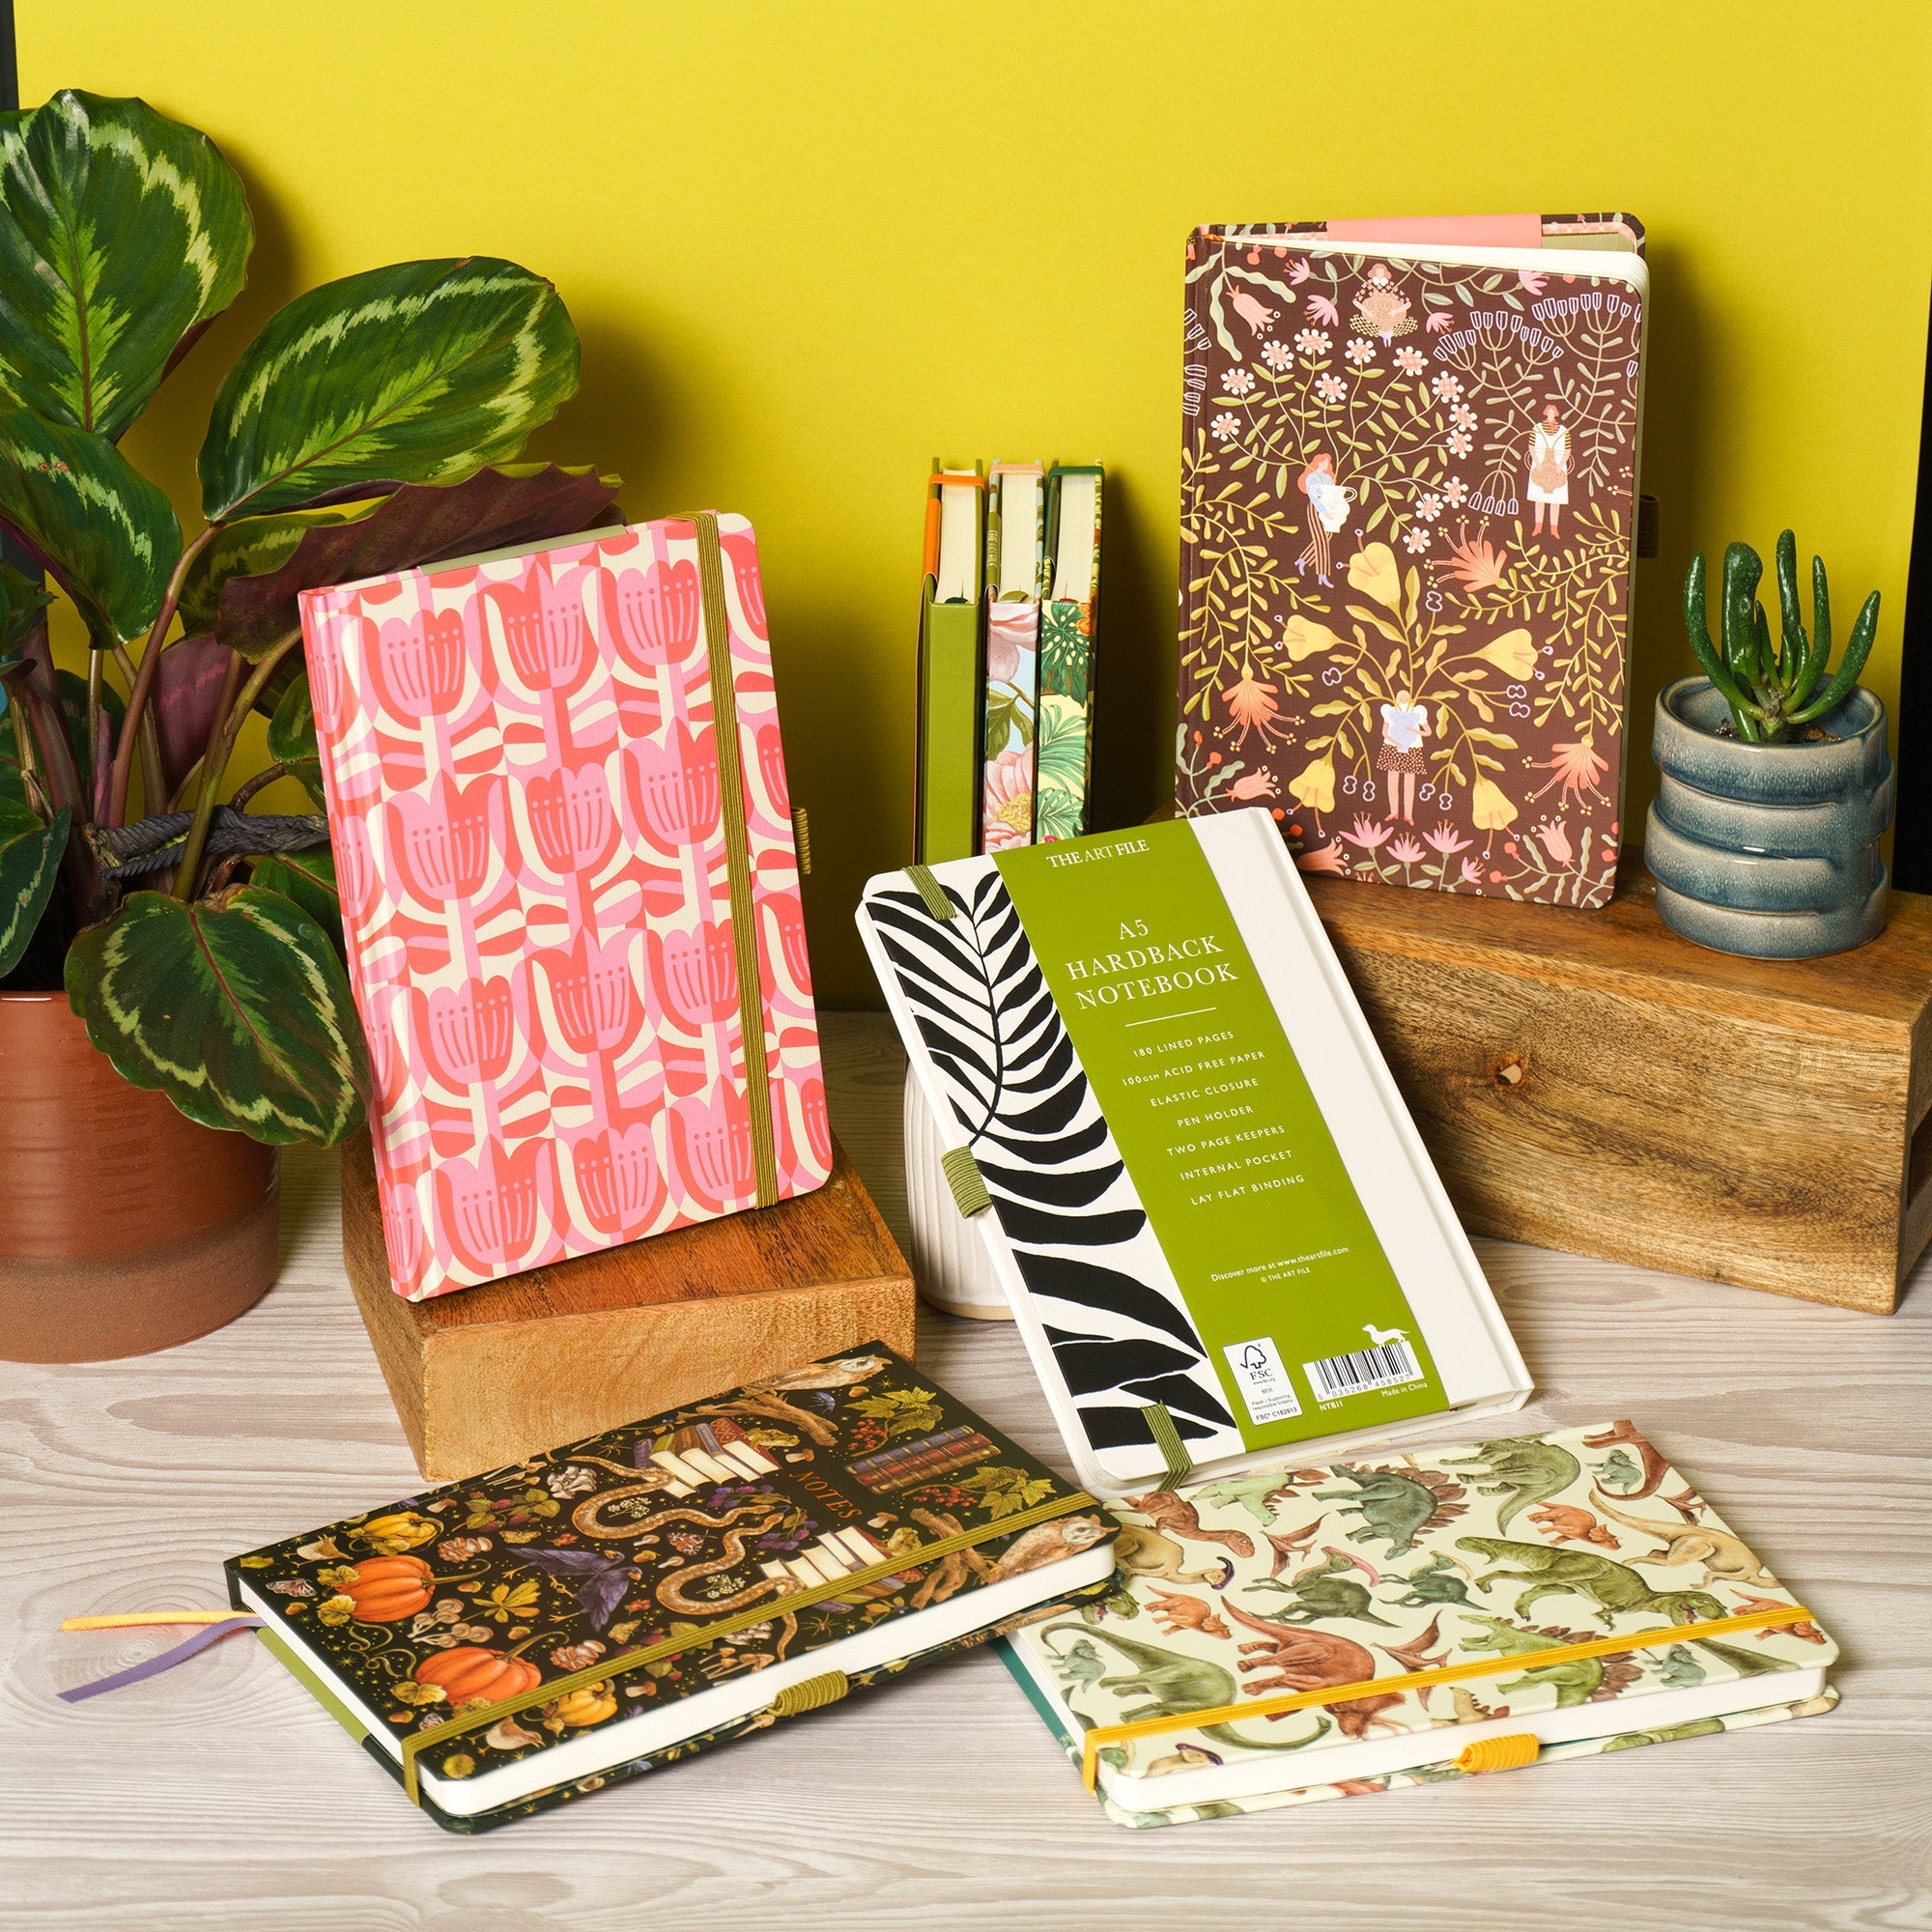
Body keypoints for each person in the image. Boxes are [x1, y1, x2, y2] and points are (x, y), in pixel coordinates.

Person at [1294, 452, 1352, 586]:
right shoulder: (1311, 477)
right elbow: (1313, 497)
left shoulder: (1328, 478)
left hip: (1329, 507)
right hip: (1315, 508)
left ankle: (1302, 560)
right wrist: (1324, 512)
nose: (1327, 464)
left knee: (1328, 536)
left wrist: (1334, 510)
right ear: (1318, 462)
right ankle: (1322, 575)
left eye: (1328, 462)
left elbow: (1333, 495)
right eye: (1325, 461)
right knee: (1321, 540)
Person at [1377, 689, 1431, 822]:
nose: (1403, 698)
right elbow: (1384, 732)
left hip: (1411, 748)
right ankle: (1394, 811)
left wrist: (1412, 730)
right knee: (1392, 781)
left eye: (1405, 697)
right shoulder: (1390, 711)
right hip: (1393, 747)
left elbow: (1428, 732)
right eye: (1401, 697)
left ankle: (1408, 814)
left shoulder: (1416, 711)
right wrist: (1396, 742)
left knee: (1409, 782)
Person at [1526, 400, 1570, 539]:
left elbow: (1567, 449)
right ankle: (1537, 526)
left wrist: (1560, 465)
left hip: (1558, 467)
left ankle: (1554, 528)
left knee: (1555, 500)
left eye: (1553, 412)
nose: (1551, 414)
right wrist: (1537, 463)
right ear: (1545, 413)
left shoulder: (1563, 431)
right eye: (1548, 412)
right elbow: (1532, 447)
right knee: (1539, 498)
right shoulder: (1537, 428)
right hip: (1540, 465)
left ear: (1556, 414)